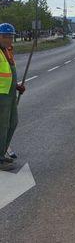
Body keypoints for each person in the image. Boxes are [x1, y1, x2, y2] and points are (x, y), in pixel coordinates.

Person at [0, 23, 25, 171]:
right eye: (6, 36)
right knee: (2, 126)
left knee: (13, 122)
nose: (9, 39)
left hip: (9, 93)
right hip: (1, 95)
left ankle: (2, 152)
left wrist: (17, 86)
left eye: (11, 37)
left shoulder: (7, 52)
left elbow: (7, 74)